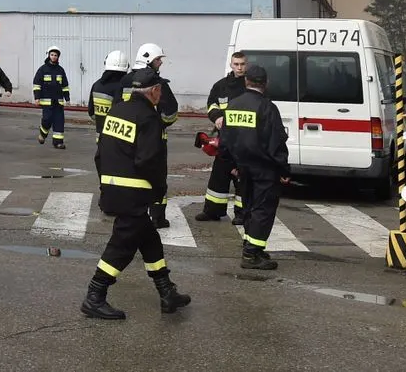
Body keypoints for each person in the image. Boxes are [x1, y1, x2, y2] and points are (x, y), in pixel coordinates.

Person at [81, 66, 190, 320]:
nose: (161, 93)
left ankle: (167, 292)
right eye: (160, 89)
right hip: (135, 192)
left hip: (113, 188)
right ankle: (94, 295)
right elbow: (149, 162)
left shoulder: (116, 111)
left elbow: (100, 154)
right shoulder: (149, 118)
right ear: (153, 92)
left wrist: (106, 185)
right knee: (122, 246)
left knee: (149, 239)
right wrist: (159, 193)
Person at [219, 65, 289, 270]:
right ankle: (251, 254)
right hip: (264, 168)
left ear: (246, 81)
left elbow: (225, 140)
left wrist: (231, 165)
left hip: (242, 167)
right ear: (265, 84)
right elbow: (276, 142)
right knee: (263, 210)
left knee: (249, 208)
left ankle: (253, 247)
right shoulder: (267, 108)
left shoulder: (233, 105)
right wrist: (284, 170)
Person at [125, 43, 177, 228]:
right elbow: (170, 113)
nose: (160, 63)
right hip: (153, 139)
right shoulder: (157, 83)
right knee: (157, 175)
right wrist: (158, 124)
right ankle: (157, 217)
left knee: (129, 172)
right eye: (158, 59)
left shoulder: (125, 81)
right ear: (148, 60)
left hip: (126, 136)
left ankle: (132, 209)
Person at [197, 52, 248, 224]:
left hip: (244, 140)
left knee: (243, 177)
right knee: (219, 176)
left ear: (246, 65)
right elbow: (211, 104)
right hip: (224, 139)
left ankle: (242, 214)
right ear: (231, 65)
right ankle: (213, 211)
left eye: (242, 64)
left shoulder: (250, 86)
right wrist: (217, 116)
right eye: (236, 64)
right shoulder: (221, 86)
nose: (239, 67)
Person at [33, 46, 72, 149]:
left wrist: (67, 99)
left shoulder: (60, 70)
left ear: (58, 57)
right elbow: (37, 84)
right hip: (46, 102)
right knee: (47, 119)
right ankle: (43, 134)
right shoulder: (42, 69)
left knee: (59, 121)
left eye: (55, 55)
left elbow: (65, 85)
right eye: (52, 55)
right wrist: (37, 98)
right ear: (48, 55)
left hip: (58, 102)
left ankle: (58, 142)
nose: (54, 57)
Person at [90, 50, 131, 142]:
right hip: (120, 140)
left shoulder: (96, 85)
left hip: (101, 139)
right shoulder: (124, 87)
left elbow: (91, 112)